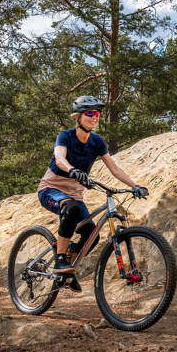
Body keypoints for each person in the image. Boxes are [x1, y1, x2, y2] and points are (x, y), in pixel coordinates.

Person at [37, 95, 148, 292]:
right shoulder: (65, 136)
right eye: (89, 113)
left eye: (96, 113)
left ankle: (66, 272)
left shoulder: (97, 142)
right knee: (70, 209)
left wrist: (134, 185)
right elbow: (60, 158)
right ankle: (60, 260)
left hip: (75, 195)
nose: (94, 117)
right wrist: (71, 169)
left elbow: (115, 169)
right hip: (51, 189)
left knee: (91, 236)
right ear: (78, 117)